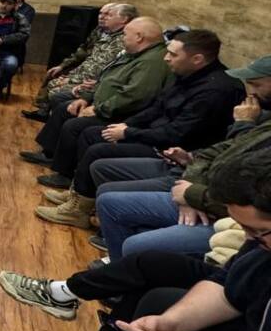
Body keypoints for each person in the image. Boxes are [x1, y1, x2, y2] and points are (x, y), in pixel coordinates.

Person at [38, 149, 271, 331]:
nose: (248, 238)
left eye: (257, 231)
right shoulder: (260, 247)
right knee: (162, 305)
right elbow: (227, 286)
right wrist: (174, 323)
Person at [32, 30, 245, 236]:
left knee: (97, 150)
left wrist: (128, 134)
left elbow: (178, 133)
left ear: (197, 59)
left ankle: (78, 211)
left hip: (174, 150)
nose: (166, 58)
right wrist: (125, 126)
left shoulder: (216, 91)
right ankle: (79, 195)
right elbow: (156, 107)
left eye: (172, 54)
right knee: (93, 133)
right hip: (156, 133)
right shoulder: (187, 75)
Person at [28, 18, 171, 197]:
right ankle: (50, 155)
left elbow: (134, 97)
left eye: (126, 35)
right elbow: (106, 79)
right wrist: (86, 99)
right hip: (103, 103)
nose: (123, 38)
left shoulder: (152, 62)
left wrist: (98, 109)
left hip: (121, 113)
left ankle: (67, 175)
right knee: (65, 107)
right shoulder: (134, 54)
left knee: (75, 126)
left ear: (139, 37)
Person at [24, 4, 136, 122]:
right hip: (83, 72)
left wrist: (76, 80)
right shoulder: (101, 31)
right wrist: (63, 67)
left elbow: (108, 70)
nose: (102, 17)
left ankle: (54, 120)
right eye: (101, 13)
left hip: (93, 82)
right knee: (52, 76)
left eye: (108, 14)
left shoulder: (125, 42)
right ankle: (44, 113)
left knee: (56, 90)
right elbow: (83, 52)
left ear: (124, 19)